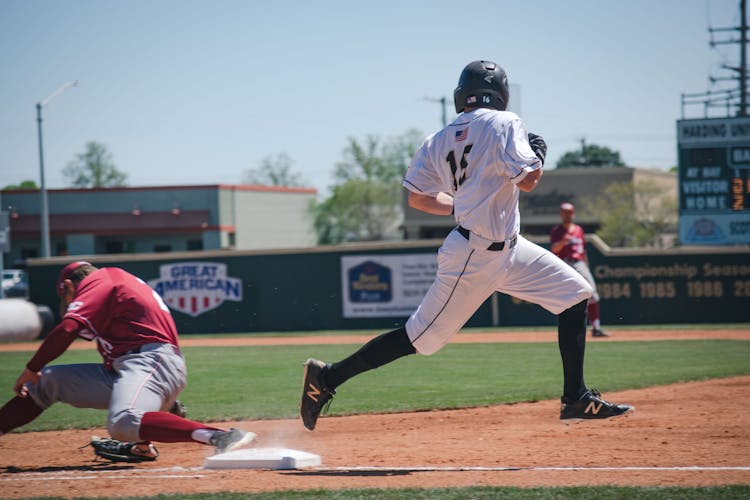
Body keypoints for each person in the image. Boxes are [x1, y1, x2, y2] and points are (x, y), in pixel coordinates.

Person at [300, 60, 633, 431]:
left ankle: (576, 397)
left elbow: (418, 199)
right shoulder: (506, 122)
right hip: (474, 255)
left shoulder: (438, 138)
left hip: (508, 247)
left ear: (462, 95)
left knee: (575, 294)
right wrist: (538, 154)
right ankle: (327, 378)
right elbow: (529, 181)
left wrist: (461, 203)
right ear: (501, 94)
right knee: (421, 337)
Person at [0, 261, 256, 462]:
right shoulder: (112, 283)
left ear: (67, 286)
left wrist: (31, 368)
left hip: (152, 362)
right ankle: (144, 442)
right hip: (131, 368)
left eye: (66, 297)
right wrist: (38, 374)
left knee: (123, 422)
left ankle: (221, 437)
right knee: (48, 381)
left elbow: (68, 328)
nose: (69, 303)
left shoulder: (101, 280)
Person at [550, 202, 609, 337]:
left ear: (573, 213)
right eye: (565, 212)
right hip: (564, 264)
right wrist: (563, 241)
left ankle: (596, 327)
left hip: (579, 263)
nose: (567, 215)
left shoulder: (578, 230)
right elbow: (553, 250)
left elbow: (584, 251)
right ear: (561, 214)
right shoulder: (557, 231)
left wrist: (586, 266)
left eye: (569, 212)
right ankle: (569, 329)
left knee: (592, 294)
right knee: (566, 297)